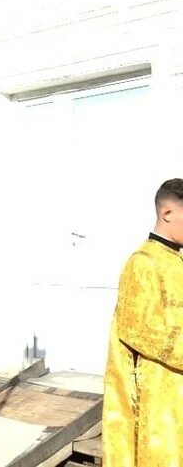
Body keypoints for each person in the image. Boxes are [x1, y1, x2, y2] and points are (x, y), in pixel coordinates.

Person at [102, 179, 183, 465]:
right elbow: (140, 330)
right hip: (158, 396)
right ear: (168, 213)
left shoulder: (176, 261)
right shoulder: (143, 261)